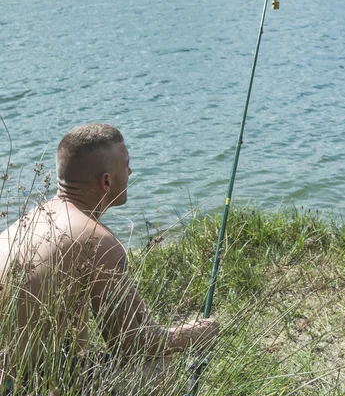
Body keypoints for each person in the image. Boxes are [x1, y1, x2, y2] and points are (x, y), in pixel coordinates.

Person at [0, 124, 219, 394]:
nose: (130, 172)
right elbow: (132, 344)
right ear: (106, 181)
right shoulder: (96, 240)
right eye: (126, 165)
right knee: (156, 366)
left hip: (15, 375)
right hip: (21, 386)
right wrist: (193, 335)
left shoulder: (25, 224)